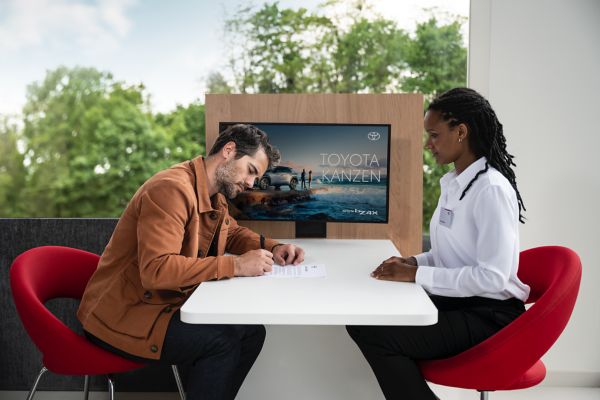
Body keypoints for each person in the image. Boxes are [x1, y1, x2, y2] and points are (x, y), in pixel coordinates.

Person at [78, 124, 305, 400]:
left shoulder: (213, 193)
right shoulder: (170, 190)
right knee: (221, 343)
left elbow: (230, 232)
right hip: (126, 316)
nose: (251, 183)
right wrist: (235, 265)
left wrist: (274, 246)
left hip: (160, 304)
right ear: (229, 151)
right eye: (251, 171)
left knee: (252, 333)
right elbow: (156, 271)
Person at [346, 87, 530, 400]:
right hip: (464, 301)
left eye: (434, 134)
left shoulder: (490, 190)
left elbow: (491, 276)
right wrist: (415, 262)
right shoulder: (455, 184)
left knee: (380, 336)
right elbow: (451, 254)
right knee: (363, 320)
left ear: (461, 132)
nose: (428, 144)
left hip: (490, 315)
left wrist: (416, 275)